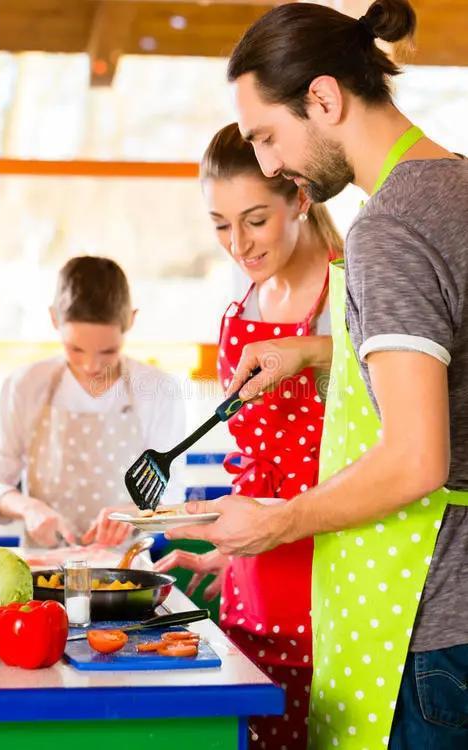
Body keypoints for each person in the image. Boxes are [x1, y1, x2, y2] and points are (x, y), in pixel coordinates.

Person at [165, 2, 468, 748]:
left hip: (427, 630)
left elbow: (415, 457)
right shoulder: (457, 188)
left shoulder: (389, 229)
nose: (268, 166)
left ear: (325, 99)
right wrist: (313, 352)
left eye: (268, 136)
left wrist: (275, 520)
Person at [155, 122, 342, 749]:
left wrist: (315, 351)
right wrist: (227, 545)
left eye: (255, 219)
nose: (238, 243)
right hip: (251, 594)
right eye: (220, 224)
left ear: (301, 198)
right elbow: (257, 467)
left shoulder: (354, 290)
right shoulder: (240, 313)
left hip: (336, 590)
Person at [0, 256, 185, 549]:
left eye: (108, 351)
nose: (90, 366)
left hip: (127, 576)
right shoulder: (24, 385)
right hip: (41, 573)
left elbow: (173, 493)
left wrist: (134, 514)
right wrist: (29, 508)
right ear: (53, 319)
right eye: (75, 348)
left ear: (132, 320)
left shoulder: (159, 389)